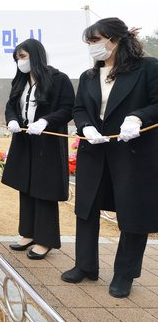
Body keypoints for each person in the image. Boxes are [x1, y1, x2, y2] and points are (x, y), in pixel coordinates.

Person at [61, 18, 158, 298]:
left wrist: (138, 117)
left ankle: (124, 274)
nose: (92, 47)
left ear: (116, 39)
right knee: (86, 208)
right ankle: (85, 265)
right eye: (89, 42)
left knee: (132, 213)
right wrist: (86, 126)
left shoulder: (147, 68)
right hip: (95, 150)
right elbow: (80, 108)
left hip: (132, 153)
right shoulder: (90, 76)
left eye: (96, 40)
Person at [1, 39, 74, 260]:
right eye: (17, 58)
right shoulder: (20, 81)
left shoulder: (58, 79)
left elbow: (68, 108)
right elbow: (11, 105)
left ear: (36, 55)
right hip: (25, 140)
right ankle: (28, 233)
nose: (20, 62)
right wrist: (13, 120)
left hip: (47, 141)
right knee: (26, 186)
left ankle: (45, 239)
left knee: (44, 189)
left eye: (23, 57)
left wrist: (46, 121)